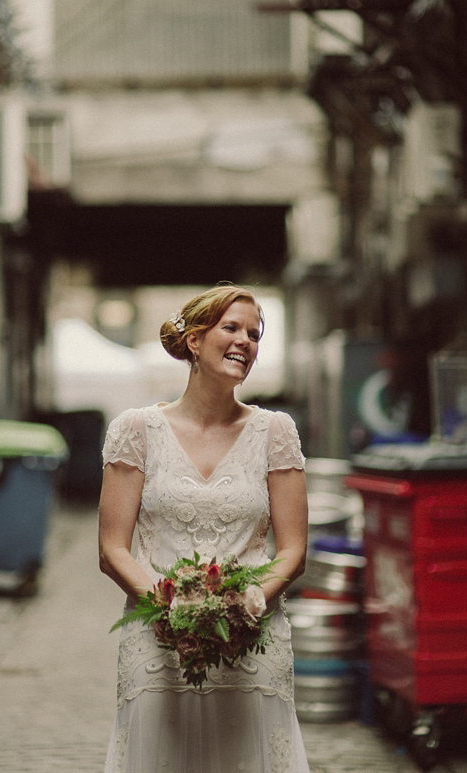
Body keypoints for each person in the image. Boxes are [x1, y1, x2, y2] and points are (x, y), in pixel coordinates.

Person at [98, 284, 310, 773]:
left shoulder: (276, 432)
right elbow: (112, 550)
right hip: (158, 645)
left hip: (253, 641)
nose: (245, 341)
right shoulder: (137, 429)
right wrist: (174, 609)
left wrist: (251, 602)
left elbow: (294, 550)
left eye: (254, 334)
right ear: (194, 340)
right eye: (231, 328)